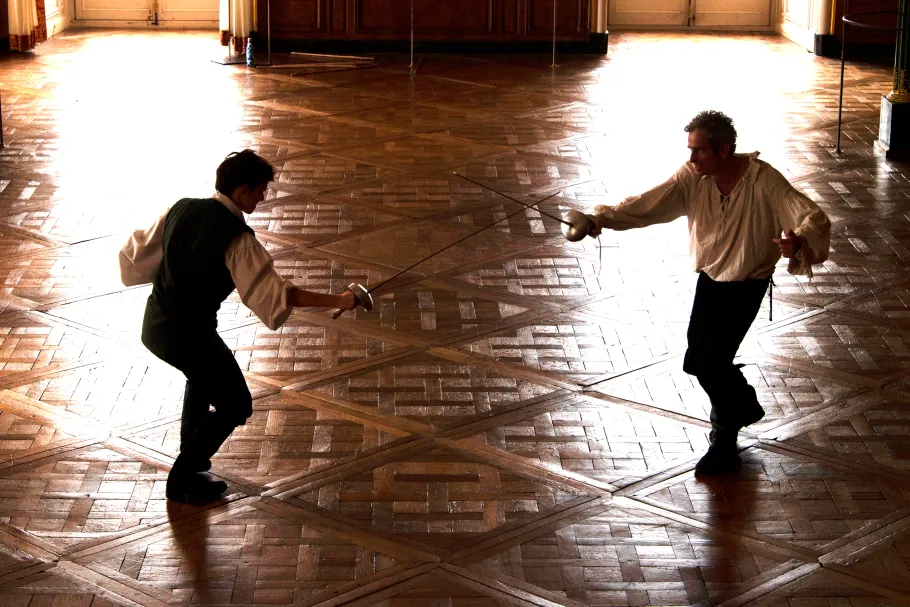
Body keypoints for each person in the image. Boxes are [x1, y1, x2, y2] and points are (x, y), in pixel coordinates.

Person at [583, 110, 831, 476]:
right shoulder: (693, 177)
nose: (691, 158)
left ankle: (724, 439)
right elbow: (650, 203)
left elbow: (811, 216)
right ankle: (742, 405)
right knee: (698, 359)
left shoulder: (764, 180)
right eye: (690, 149)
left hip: (748, 283)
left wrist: (799, 241)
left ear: (724, 150)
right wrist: (600, 219)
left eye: (699, 150)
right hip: (711, 278)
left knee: (712, 362)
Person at [118, 150, 357, 503]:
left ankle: (192, 457)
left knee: (202, 378)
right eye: (260, 191)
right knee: (235, 404)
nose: (262, 197)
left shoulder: (181, 209)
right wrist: (339, 300)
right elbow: (279, 295)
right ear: (243, 190)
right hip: (189, 335)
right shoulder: (237, 239)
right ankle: (182, 478)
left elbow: (137, 258)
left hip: (155, 325)